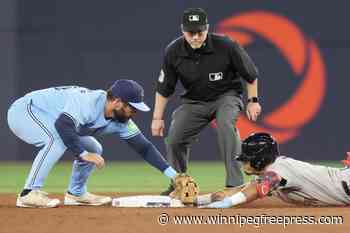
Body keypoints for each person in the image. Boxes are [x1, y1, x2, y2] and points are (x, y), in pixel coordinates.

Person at [7, 79, 179, 208]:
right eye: (131, 107)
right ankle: (28, 193)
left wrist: (175, 176)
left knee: (94, 147)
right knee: (58, 139)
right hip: (25, 111)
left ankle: (76, 193)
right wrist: (82, 154)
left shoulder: (122, 120)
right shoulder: (88, 102)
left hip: (53, 121)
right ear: (117, 102)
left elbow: (144, 148)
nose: (134, 112)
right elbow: (63, 125)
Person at [151, 8, 262, 195]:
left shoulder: (226, 45)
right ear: (182, 30)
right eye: (190, 33)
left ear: (207, 28)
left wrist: (253, 101)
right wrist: (156, 118)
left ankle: (235, 184)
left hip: (226, 96)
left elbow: (250, 75)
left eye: (199, 32)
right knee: (175, 138)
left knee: (226, 125)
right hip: (195, 101)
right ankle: (179, 183)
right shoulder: (174, 51)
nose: (195, 37)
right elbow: (164, 89)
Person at [198, 132, 350, 208]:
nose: (244, 162)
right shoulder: (270, 173)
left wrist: (214, 207)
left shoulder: (278, 171)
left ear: (259, 159)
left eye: (247, 158)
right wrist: (187, 201)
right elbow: (226, 194)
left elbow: (244, 196)